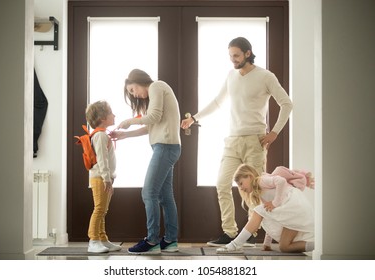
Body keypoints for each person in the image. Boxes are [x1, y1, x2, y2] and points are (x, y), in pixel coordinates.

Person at [181, 37, 293, 246]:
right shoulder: (231, 76)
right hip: (232, 139)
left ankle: (251, 232)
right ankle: (230, 232)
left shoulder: (265, 76)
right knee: (222, 183)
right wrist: (194, 118)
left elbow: (286, 103)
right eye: (230, 56)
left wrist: (275, 132)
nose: (232, 59)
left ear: (247, 53)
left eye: (236, 55)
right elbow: (217, 102)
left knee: (255, 188)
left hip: (255, 140)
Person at [110, 69, 181, 255]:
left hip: (165, 147)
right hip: (165, 147)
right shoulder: (157, 92)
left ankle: (152, 241)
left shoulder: (157, 86)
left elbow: (153, 117)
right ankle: (170, 241)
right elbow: (151, 126)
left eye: (133, 90)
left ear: (139, 81)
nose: (135, 95)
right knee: (165, 197)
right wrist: (125, 135)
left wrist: (129, 121)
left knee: (148, 192)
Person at [217, 164, 314, 253]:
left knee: (258, 211)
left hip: (293, 205)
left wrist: (275, 203)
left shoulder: (261, 180)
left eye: (241, 183)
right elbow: (269, 216)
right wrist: (267, 243)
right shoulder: (261, 194)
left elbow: (281, 181)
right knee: (284, 247)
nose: (241, 188)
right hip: (292, 211)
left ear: (249, 176)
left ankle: (235, 244)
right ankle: (317, 245)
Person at [85, 100, 122, 253]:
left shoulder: (102, 135)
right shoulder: (100, 136)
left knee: (103, 210)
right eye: (111, 113)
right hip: (101, 178)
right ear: (102, 118)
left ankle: (103, 239)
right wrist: (107, 179)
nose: (114, 115)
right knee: (99, 209)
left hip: (104, 178)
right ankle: (93, 241)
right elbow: (102, 159)